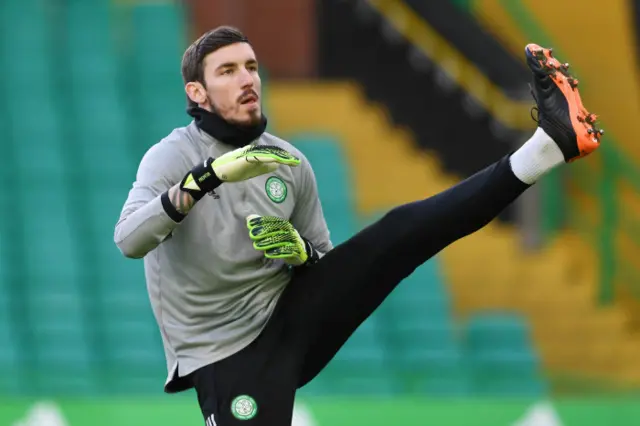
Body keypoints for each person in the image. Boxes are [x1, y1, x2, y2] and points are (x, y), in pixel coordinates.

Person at [114, 26, 603, 425]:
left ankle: (548, 147)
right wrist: (207, 178)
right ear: (196, 93)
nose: (247, 79)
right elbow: (129, 239)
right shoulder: (172, 155)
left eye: (251, 67)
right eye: (227, 71)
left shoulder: (289, 162)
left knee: (399, 233)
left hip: (289, 320)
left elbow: (330, 268)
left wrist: (302, 253)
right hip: (227, 353)